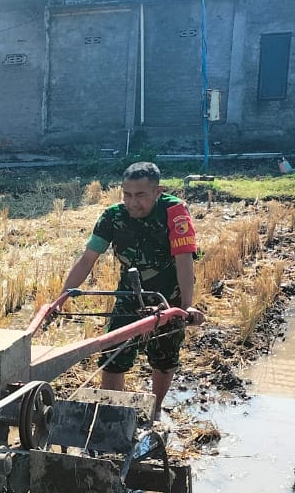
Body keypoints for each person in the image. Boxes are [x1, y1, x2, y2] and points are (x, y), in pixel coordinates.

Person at [59, 161, 204, 420]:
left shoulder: (174, 212)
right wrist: (62, 296)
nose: (132, 202)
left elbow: (184, 260)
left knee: (164, 357)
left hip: (168, 297)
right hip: (130, 294)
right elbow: (87, 259)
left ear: (157, 192)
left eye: (141, 195)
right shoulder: (113, 217)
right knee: (114, 353)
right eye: (127, 194)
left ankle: (155, 409)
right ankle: (110, 415)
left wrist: (186, 305)